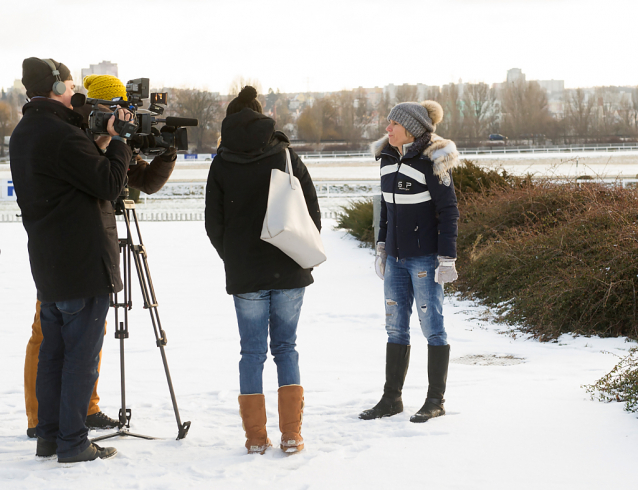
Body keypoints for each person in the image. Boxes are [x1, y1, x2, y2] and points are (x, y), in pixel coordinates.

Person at [22, 73, 177, 438]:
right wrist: (109, 141)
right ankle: (41, 419)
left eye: (123, 109)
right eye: (112, 108)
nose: (118, 114)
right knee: (48, 337)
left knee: (90, 333)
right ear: (93, 107)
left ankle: (83, 409)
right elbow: (102, 179)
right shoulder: (71, 136)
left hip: (89, 247)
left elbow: (144, 182)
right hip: (67, 250)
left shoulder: (104, 135)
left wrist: (165, 152)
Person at [10, 58, 133, 462]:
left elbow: (69, 177)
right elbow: (109, 183)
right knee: (80, 358)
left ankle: (49, 437)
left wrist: (96, 145)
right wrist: (119, 140)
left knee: (54, 355)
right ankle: (73, 442)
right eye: (68, 83)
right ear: (57, 86)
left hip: (48, 262)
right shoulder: (63, 134)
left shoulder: (26, 132)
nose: (73, 89)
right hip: (82, 262)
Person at [205, 86, 320, 454]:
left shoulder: (221, 162)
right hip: (287, 267)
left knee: (251, 353)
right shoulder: (284, 155)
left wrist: (235, 256)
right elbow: (311, 211)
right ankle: (291, 435)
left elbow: (213, 223)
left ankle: (256, 438)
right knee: (286, 348)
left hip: (246, 274)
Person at [359, 100, 460, 423]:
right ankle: (391, 399)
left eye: (393, 124)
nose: (387, 129)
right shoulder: (387, 158)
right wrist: (381, 248)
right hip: (397, 261)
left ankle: (435, 400)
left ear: (411, 129)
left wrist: (447, 258)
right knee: (394, 327)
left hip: (425, 260)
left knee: (432, 327)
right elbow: (387, 208)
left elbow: (449, 212)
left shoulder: (434, 159)